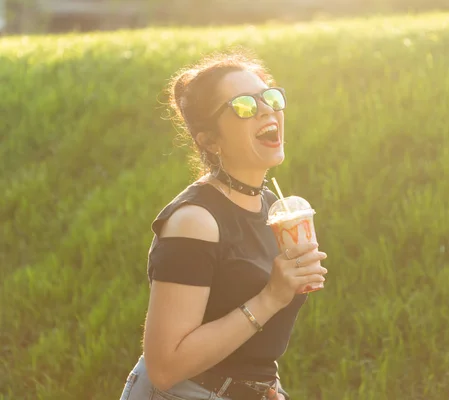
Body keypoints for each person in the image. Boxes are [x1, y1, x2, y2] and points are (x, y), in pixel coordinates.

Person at [118, 50, 328, 400]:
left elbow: (247, 343)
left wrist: (262, 386)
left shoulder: (273, 210)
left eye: (271, 97)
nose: (266, 109)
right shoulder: (194, 221)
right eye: (244, 106)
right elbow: (164, 367)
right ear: (210, 141)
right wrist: (272, 297)